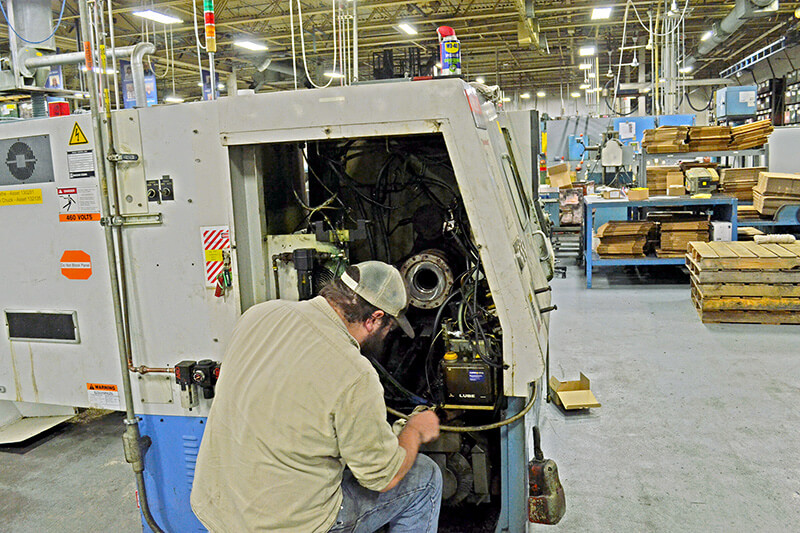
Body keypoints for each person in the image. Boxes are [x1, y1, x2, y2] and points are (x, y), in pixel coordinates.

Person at [191, 261, 443, 533]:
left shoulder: (259, 314)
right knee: (425, 478)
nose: (386, 337)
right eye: (389, 329)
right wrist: (414, 430)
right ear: (375, 318)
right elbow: (383, 477)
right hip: (285, 526)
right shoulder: (356, 375)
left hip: (218, 508)